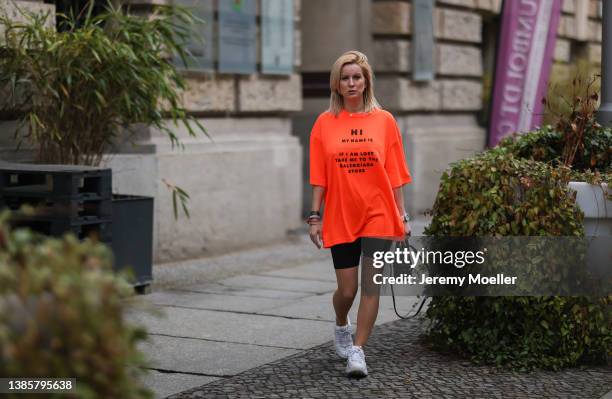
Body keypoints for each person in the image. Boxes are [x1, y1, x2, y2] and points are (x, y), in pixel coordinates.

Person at [307, 50, 412, 378]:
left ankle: (358, 350)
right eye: (345, 78)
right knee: (347, 291)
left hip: (379, 213)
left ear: (367, 82)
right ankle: (341, 323)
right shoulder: (325, 123)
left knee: (370, 286)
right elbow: (319, 176)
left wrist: (403, 216)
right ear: (336, 85)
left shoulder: (385, 121)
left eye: (357, 77)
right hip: (341, 213)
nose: (352, 83)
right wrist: (315, 216)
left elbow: (395, 173)